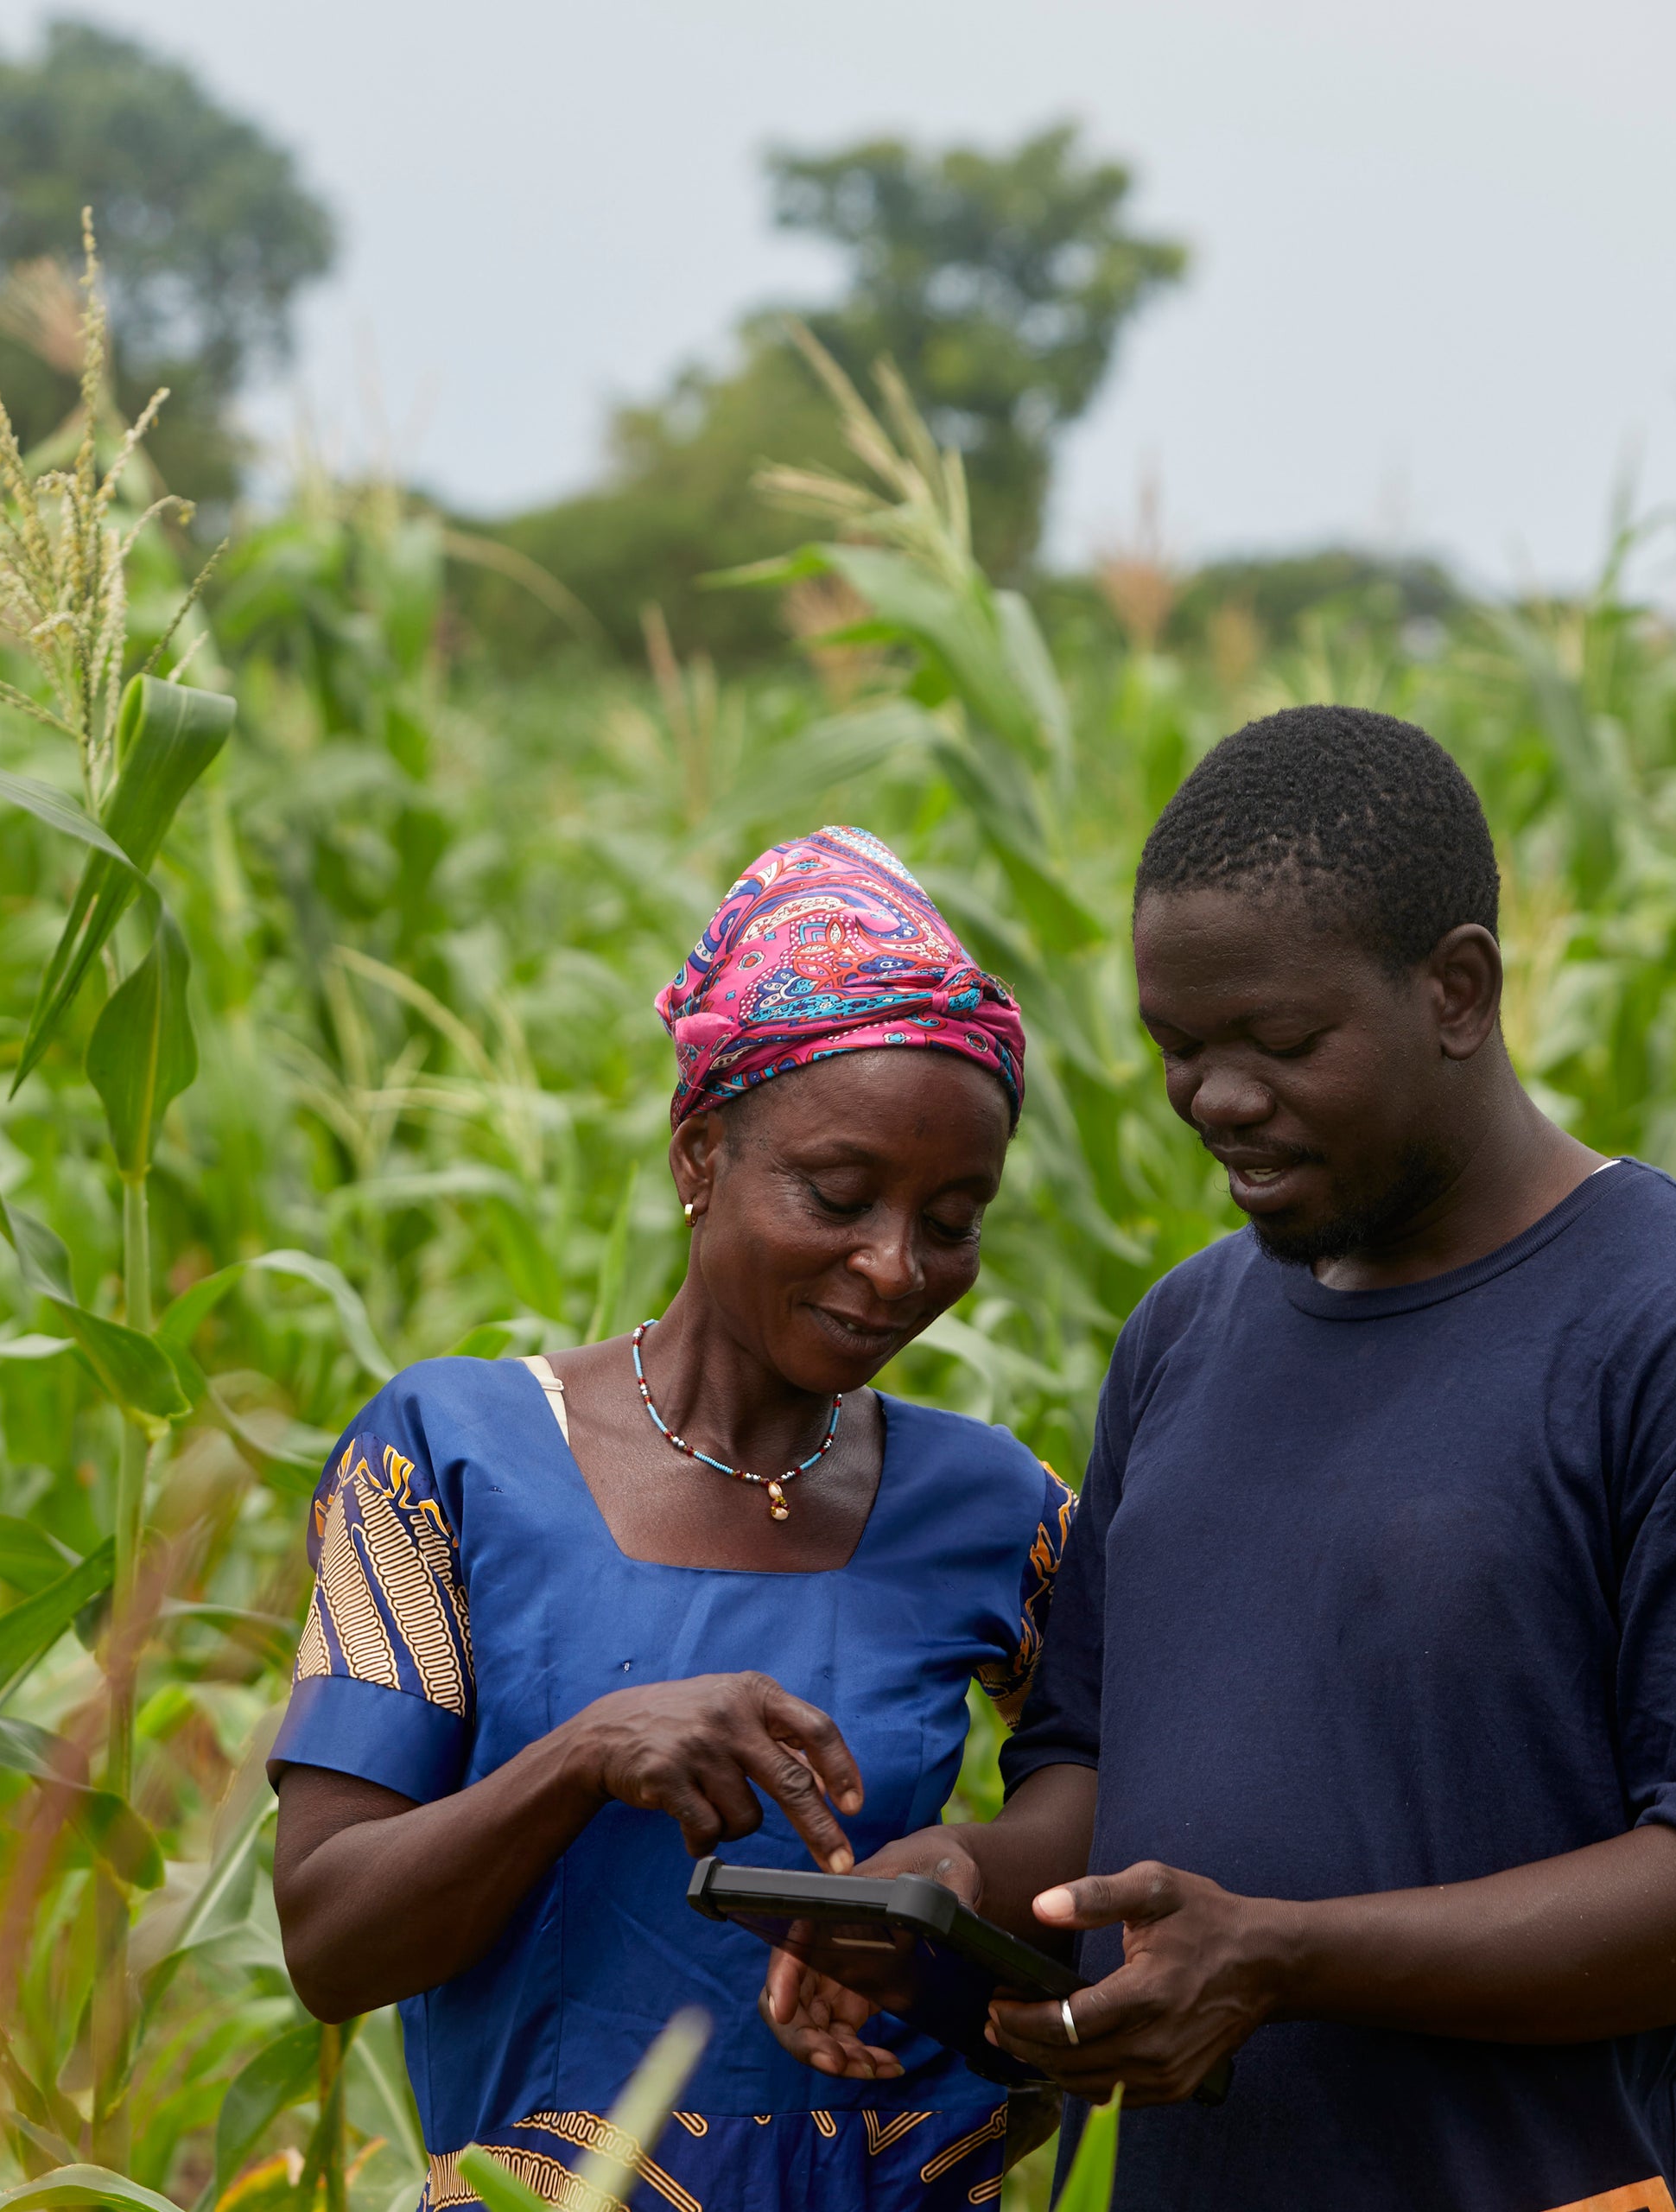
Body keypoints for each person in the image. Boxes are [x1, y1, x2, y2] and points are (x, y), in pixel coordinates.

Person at [767, 709, 1676, 2210]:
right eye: (1181, 1048)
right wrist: (964, 1887)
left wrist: (1286, 1960)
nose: (1218, 1100)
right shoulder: (1186, 1333)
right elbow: (1093, 1768)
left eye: (1283, 1045)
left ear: (1458, 990)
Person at [269, 825, 1079, 2210]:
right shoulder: (448, 1460)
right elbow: (333, 1941)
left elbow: (1120, 1796)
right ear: (699, 1153)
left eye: (953, 1217)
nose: (896, 1267)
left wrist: (950, 1877)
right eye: (837, 1195)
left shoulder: (998, 1505)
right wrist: (585, 1754)